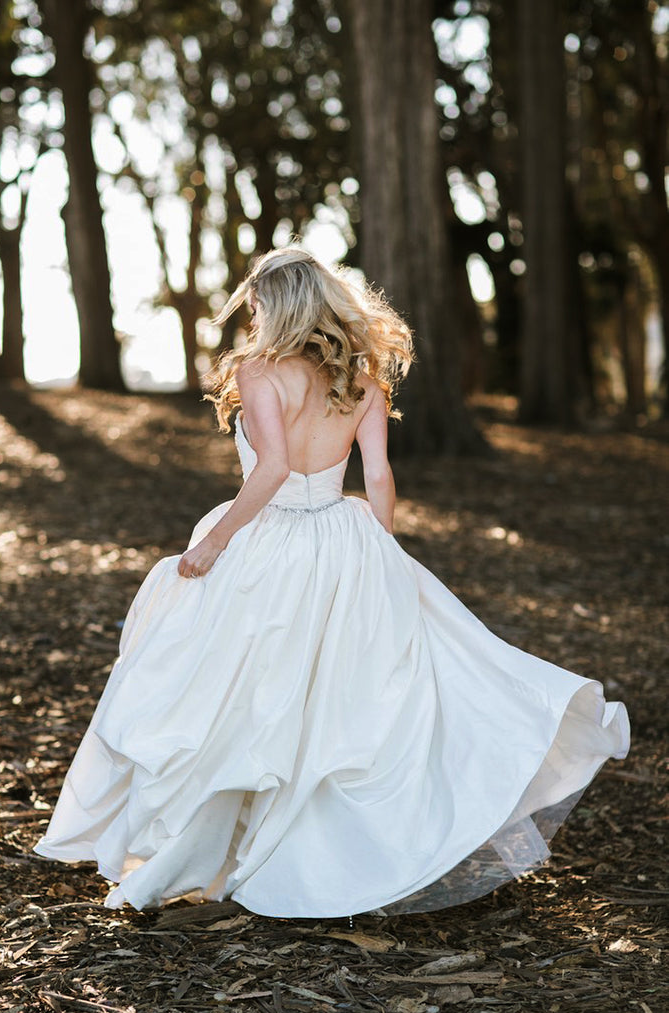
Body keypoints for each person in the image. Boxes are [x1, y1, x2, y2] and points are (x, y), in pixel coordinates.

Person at [33, 247, 630, 917]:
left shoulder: (261, 373)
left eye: (254, 301)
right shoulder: (361, 377)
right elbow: (377, 474)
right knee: (334, 695)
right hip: (343, 536)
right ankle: (301, 847)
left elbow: (269, 472)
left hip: (269, 540)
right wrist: (381, 547)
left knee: (245, 691)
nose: (250, 310)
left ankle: (228, 846)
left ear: (274, 304)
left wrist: (214, 543)